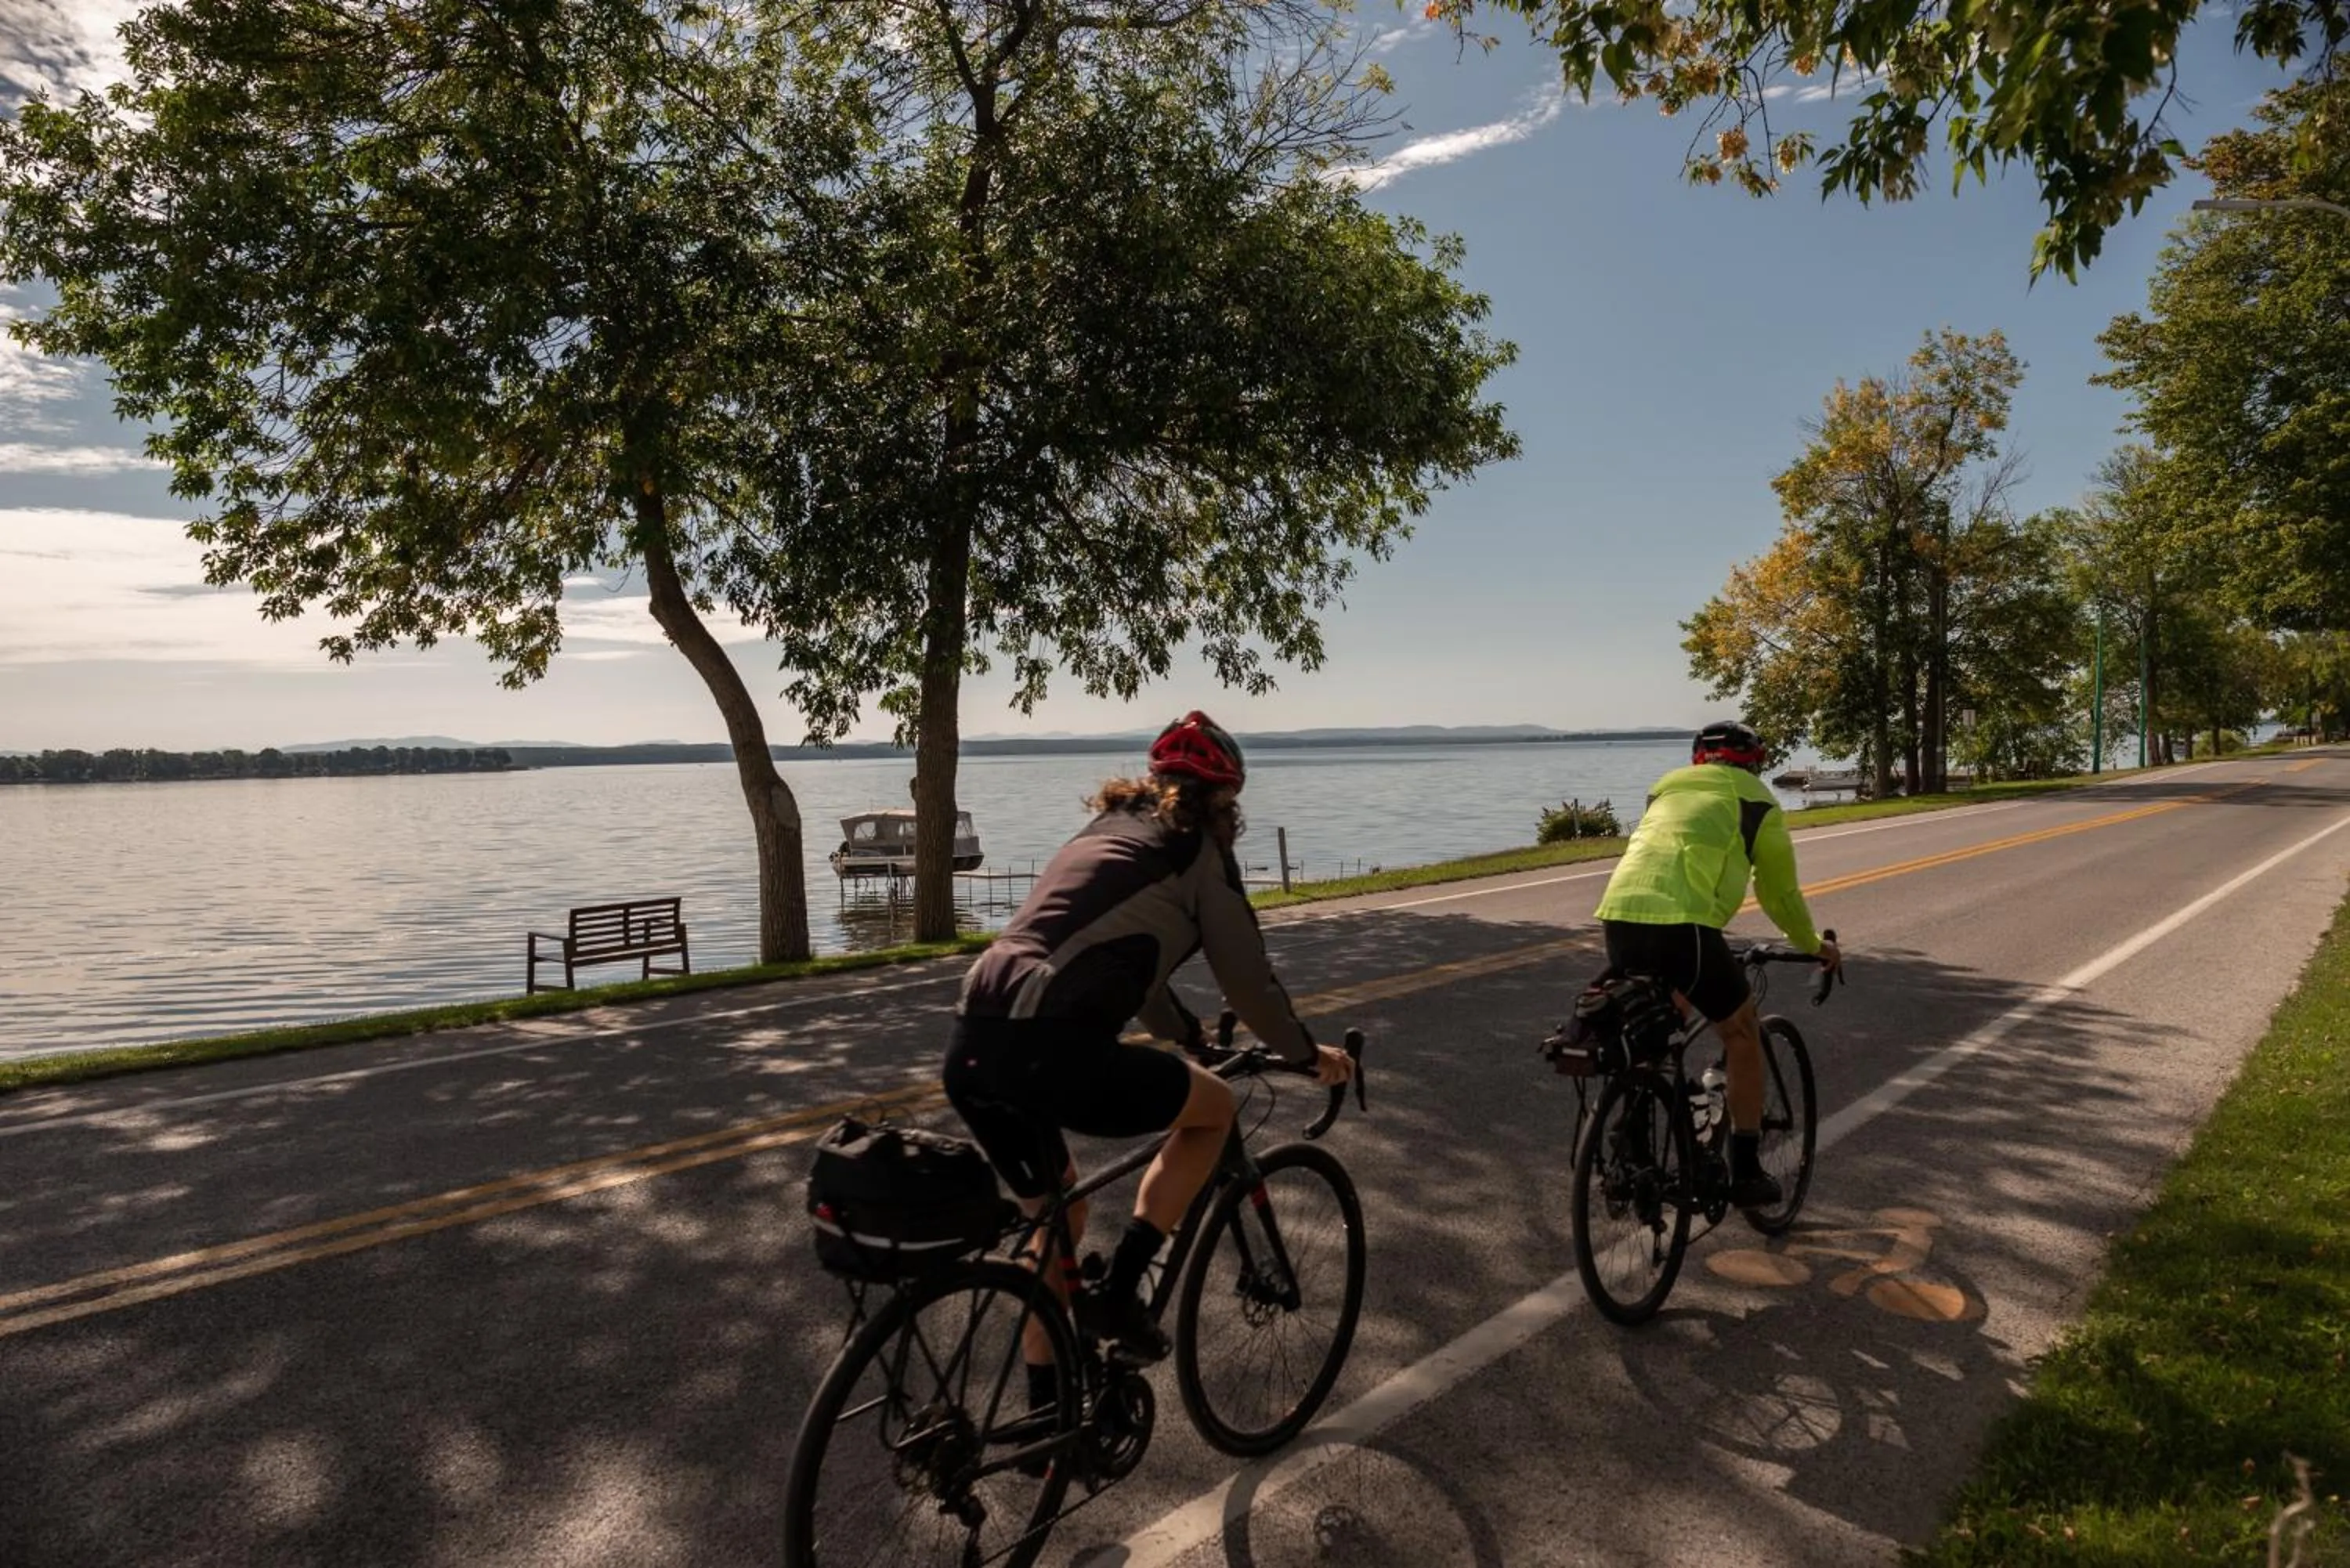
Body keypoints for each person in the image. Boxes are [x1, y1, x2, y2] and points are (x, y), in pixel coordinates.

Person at [943, 710, 1355, 1379]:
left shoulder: (1103, 835)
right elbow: (1247, 980)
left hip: (974, 1030)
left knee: (1058, 1223)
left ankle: (1048, 1431)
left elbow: (1128, 967)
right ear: (1224, 802)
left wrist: (1186, 1037)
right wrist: (1309, 1056)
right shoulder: (1195, 849)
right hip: (1050, 1042)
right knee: (1215, 1109)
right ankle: (1119, 1294)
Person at [1593, 719, 1840, 1209]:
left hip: (1619, 916)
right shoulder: (1758, 801)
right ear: (1755, 762)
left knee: (1658, 1023)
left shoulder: (1664, 788)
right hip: (1687, 928)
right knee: (1743, 1031)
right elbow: (1779, 894)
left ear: (1697, 757)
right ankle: (1746, 1171)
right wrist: (1813, 944)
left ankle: (1637, 1143)